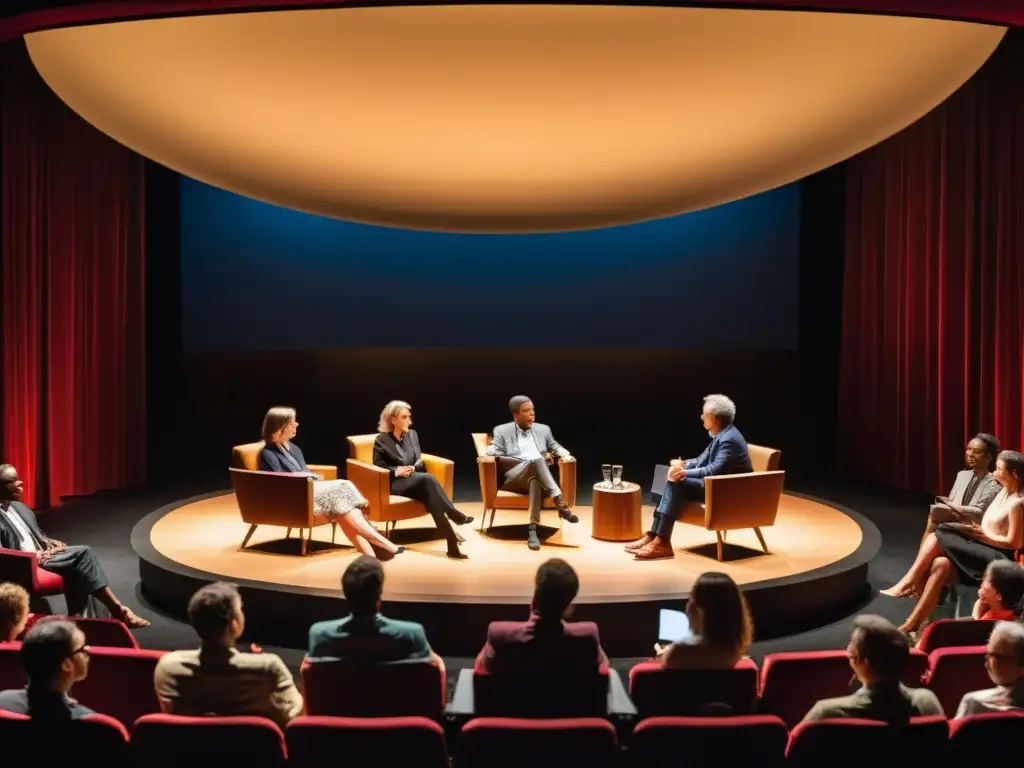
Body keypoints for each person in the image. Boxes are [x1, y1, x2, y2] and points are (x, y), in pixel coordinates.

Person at [881, 451, 1024, 634]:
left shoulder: (1017, 504)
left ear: (1014, 474)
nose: (994, 473)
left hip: (997, 558)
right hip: (982, 546)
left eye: (998, 469)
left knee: (940, 533)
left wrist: (983, 536)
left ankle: (909, 582)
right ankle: (912, 624)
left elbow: (1015, 543)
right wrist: (973, 528)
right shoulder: (1003, 492)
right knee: (941, 564)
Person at [0, 464, 149, 627]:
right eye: (13, 480)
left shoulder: (20, 508)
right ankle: (116, 611)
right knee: (84, 555)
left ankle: (83, 620)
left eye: (19, 479)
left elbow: (38, 534)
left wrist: (49, 542)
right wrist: (34, 556)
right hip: (26, 565)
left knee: (82, 567)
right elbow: (4, 556)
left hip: (44, 556)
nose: (20, 483)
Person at [258, 406, 403, 559]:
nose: (296, 425)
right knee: (342, 485)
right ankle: (382, 540)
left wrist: (311, 477)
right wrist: (309, 479)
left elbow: (304, 471)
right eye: (292, 423)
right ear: (280, 427)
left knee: (343, 509)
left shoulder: (293, 448)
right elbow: (280, 482)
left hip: (309, 489)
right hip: (295, 498)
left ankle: (370, 555)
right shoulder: (268, 453)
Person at [154, 582, 303, 728]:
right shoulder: (268, 667)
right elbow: (295, 714)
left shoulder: (167, 666)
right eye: (240, 610)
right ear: (233, 624)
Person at [628, 394, 753, 561]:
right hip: (715, 485)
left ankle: (662, 542)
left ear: (714, 418)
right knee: (665, 473)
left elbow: (713, 470)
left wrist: (684, 473)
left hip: (726, 491)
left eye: (704, 415)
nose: (701, 417)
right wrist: (683, 464)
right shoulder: (722, 434)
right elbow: (702, 460)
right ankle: (655, 534)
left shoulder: (728, 440)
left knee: (677, 482)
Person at [373, 400, 472, 559]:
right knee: (428, 479)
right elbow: (378, 466)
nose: (409, 421)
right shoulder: (381, 440)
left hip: (414, 480)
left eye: (409, 417)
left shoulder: (412, 435)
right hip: (395, 484)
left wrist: (413, 468)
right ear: (393, 420)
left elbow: (419, 461)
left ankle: (452, 545)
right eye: (404, 417)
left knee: (432, 499)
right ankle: (454, 514)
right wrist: (396, 471)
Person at [475, 558, 608, 675]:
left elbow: (480, 671)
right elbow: (604, 671)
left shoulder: (499, 634)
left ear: (535, 599)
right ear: (568, 607)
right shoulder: (588, 636)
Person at [802, 615, 943, 723]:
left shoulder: (826, 713)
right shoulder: (927, 704)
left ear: (864, 662)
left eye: (852, 648)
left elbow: (793, 752)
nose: (848, 652)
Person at [308, 555, 440, 664]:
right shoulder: (413, 635)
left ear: (346, 594)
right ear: (379, 597)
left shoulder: (320, 635)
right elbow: (433, 671)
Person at [486, 396, 578, 551]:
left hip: (537, 477)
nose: (532, 414)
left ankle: (532, 529)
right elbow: (491, 451)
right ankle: (561, 503)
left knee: (535, 478)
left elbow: (554, 446)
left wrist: (566, 455)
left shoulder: (543, 429)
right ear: (516, 415)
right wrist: (523, 459)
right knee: (536, 460)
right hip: (514, 478)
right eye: (527, 411)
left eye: (533, 410)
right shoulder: (502, 431)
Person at [655, 572, 753, 669]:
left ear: (698, 609)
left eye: (690, 598)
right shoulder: (733, 652)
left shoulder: (678, 654)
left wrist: (665, 654)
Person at [0, 618, 94, 719]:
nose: (86, 653)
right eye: (82, 649)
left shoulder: (2, 702)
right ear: (66, 665)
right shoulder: (92, 724)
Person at [920, 434, 1001, 545]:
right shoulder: (962, 475)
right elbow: (951, 499)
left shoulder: (994, 481)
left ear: (989, 456)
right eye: (968, 449)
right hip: (954, 518)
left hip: (974, 524)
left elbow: (978, 511)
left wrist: (952, 507)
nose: (970, 454)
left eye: (976, 452)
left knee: (935, 520)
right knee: (935, 515)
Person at [956, 620, 1024, 717]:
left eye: (994, 657)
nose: (987, 664)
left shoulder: (974, 704)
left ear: (1021, 667)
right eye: (987, 655)